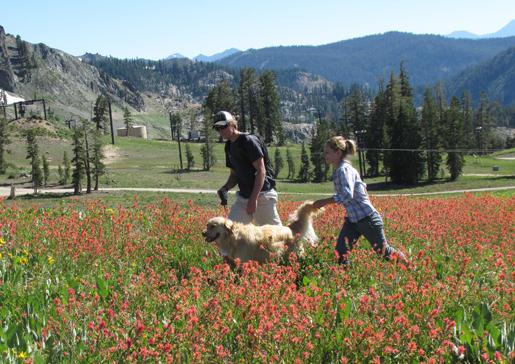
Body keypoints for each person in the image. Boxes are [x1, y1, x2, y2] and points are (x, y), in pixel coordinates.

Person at [313, 136, 408, 266]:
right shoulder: (340, 169)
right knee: (340, 253)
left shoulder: (343, 170)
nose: (325, 155)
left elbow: (347, 194)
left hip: (367, 219)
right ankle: (344, 280)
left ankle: (409, 266)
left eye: (327, 152)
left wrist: (323, 202)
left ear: (338, 153)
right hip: (353, 220)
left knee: (383, 251)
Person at [214, 111, 282, 226]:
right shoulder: (229, 146)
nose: (221, 131)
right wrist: (225, 188)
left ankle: (305, 242)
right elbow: (234, 174)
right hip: (244, 196)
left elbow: (261, 171)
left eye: (223, 126)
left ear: (232, 124)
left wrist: (253, 199)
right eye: (217, 128)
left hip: (262, 195)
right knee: (230, 232)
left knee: (274, 237)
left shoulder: (249, 141)